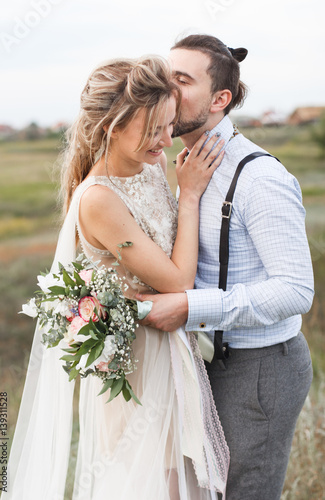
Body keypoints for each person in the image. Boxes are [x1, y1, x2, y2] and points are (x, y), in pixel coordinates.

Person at [3, 56, 230, 500]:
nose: (166, 141)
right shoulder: (99, 200)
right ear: (111, 126)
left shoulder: (149, 165)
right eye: (153, 131)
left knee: (183, 478)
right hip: (139, 367)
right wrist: (191, 196)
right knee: (152, 483)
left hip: (172, 346)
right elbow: (178, 281)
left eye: (169, 125)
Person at [138, 34, 314, 500]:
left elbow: (296, 290)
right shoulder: (183, 165)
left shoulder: (261, 178)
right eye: (163, 76)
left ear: (220, 99)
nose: (164, 90)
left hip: (259, 370)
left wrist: (189, 306)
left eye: (181, 81)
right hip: (203, 362)